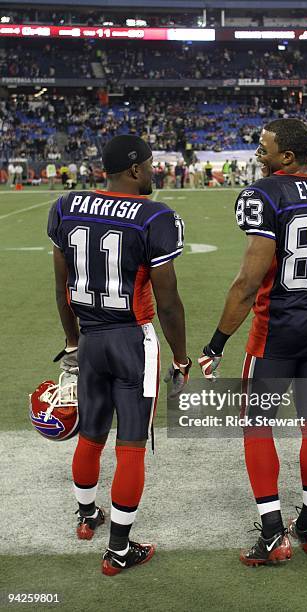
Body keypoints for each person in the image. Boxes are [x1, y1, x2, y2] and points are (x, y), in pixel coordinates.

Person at [198, 118, 307, 566]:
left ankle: (272, 534)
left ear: (287, 156)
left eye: (264, 147)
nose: (258, 153)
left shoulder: (266, 194)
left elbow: (248, 282)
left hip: (277, 330)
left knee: (257, 424)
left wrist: (215, 343)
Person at [47, 135, 191, 576]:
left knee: (90, 432)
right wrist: (181, 358)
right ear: (133, 170)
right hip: (132, 339)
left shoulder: (66, 206)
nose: (154, 172)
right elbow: (168, 302)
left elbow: (62, 287)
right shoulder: (155, 215)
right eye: (149, 166)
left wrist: (72, 344)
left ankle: (87, 515)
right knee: (130, 445)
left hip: (90, 338)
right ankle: (119, 550)